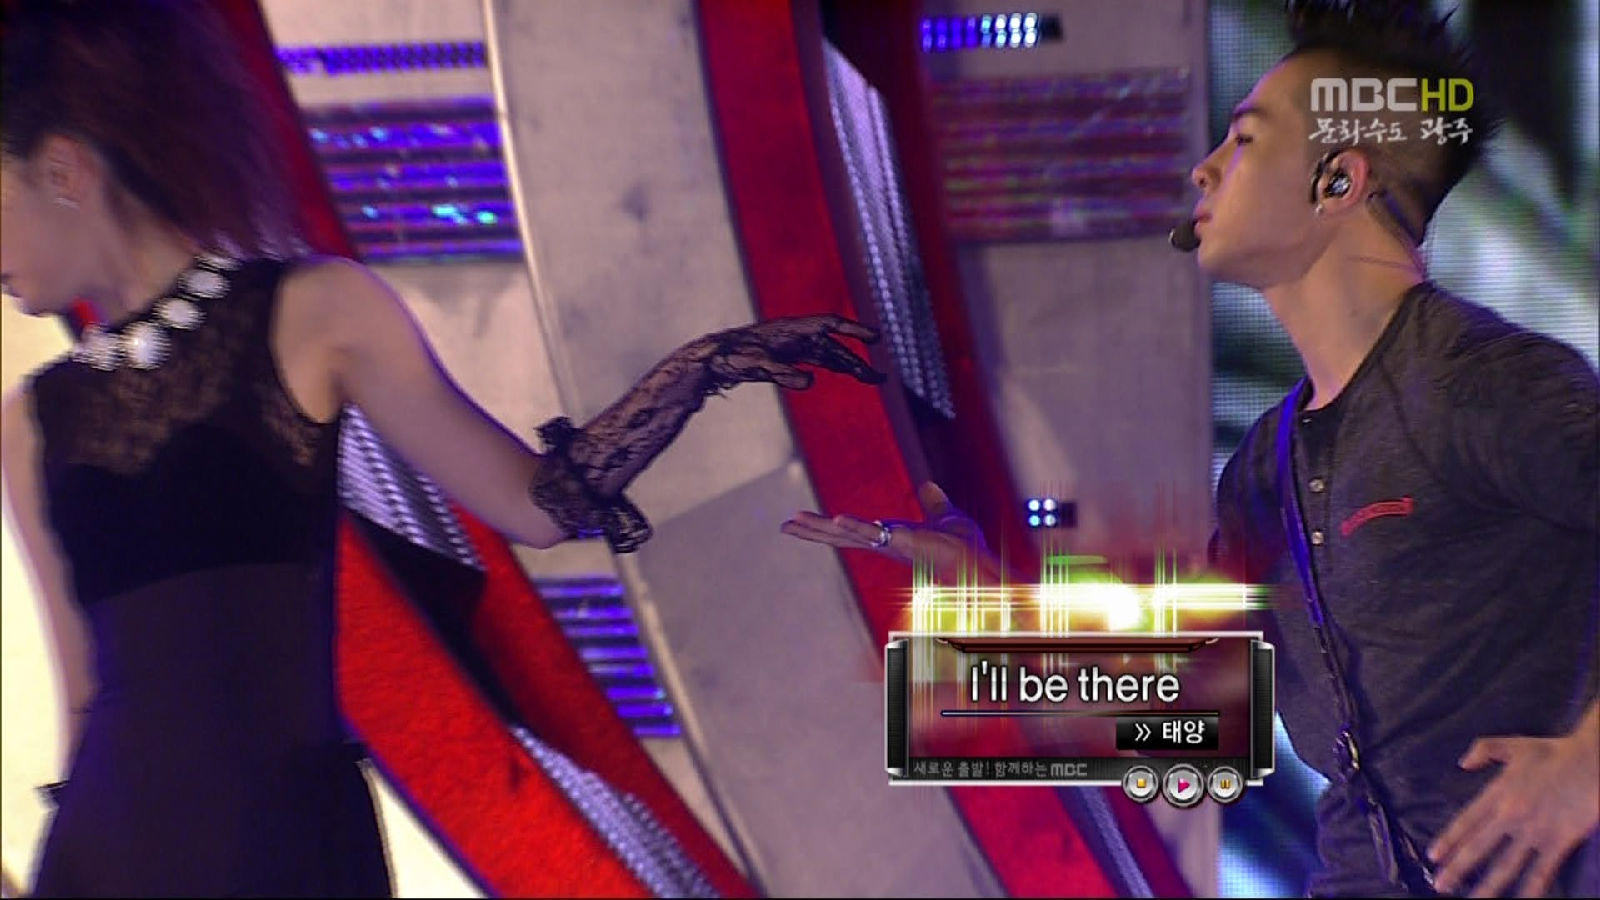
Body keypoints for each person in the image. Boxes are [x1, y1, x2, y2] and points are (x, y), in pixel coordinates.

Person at [0, 1, 884, 895]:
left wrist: (703, 368)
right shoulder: (31, 421)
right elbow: (84, 700)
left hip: (286, 853)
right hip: (108, 861)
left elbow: (539, 506)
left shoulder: (314, 314)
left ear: (63, 171)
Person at [785, 1, 1598, 896]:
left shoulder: (1487, 385)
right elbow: (1195, 693)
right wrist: (983, 599)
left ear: (1338, 181)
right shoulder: (1264, 469)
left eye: (1245, 141)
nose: (1204, 169)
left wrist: (1587, 765)